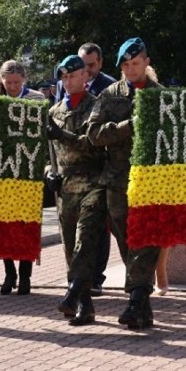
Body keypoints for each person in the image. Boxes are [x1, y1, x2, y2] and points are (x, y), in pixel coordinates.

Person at [88, 38, 163, 329]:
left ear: (146, 62)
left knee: (147, 241)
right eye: (126, 65)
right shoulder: (109, 95)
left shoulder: (160, 95)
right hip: (119, 181)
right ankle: (140, 300)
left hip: (153, 182)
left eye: (136, 64)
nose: (131, 70)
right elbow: (93, 134)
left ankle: (136, 299)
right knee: (128, 242)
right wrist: (125, 127)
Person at [47, 54, 108, 325]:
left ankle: (73, 293)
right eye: (65, 76)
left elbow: (95, 143)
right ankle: (85, 305)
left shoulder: (97, 107)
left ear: (85, 76)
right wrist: (49, 174)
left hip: (93, 184)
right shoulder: (54, 111)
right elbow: (50, 154)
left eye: (73, 75)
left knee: (85, 243)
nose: (68, 80)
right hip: (66, 188)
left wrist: (64, 136)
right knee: (71, 249)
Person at [0, 60, 46, 295]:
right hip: (1, 173)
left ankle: (25, 276)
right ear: (1, 80)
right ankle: (9, 272)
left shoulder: (36, 99)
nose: (11, 86)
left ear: (24, 80)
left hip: (28, 172)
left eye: (16, 82)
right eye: (8, 82)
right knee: (3, 227)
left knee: (25, 225)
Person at [77, 42, 117, 296]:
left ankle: (97, 277)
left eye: (91, 65)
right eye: (83, 65)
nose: (87, 71)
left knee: (101, 226)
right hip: (78, 166)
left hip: (103, 165)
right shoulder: (66, 83)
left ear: (100, 63)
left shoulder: (110, 88)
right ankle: (81, 275)